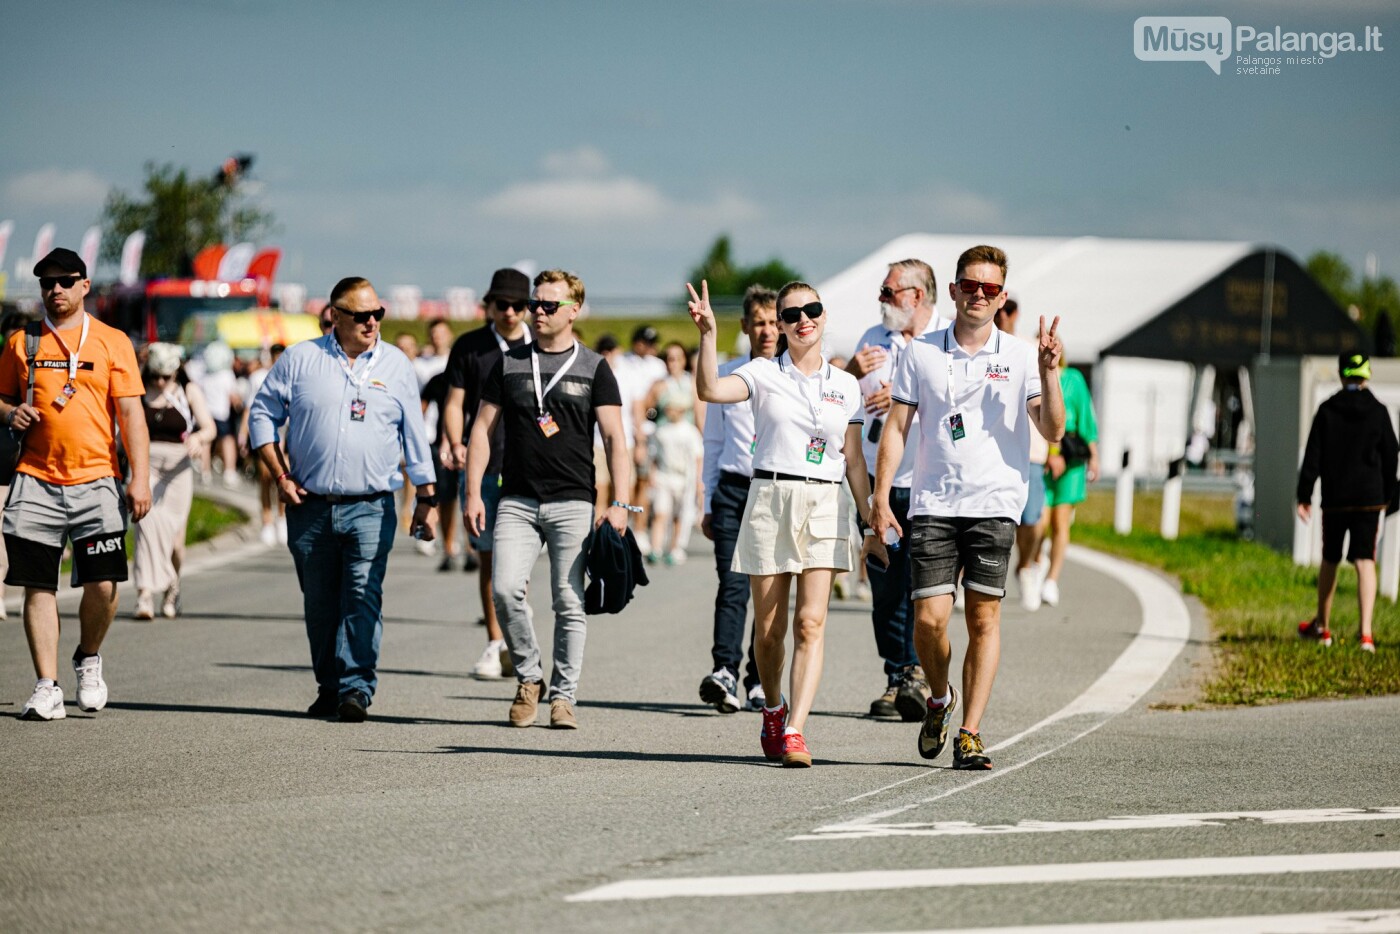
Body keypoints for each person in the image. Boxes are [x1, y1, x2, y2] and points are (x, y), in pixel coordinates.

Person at [872, 244, 1065, 770]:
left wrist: (1049, 373)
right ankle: (939, 697)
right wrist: (880, 496)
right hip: (933, 501)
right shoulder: (921, 352)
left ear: (1001, 297)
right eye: (971, 285)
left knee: (983, 618)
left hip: (994, 501)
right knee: (930, 620)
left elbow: (1051, 430)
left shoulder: (1021, 355)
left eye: (991, 288)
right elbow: (896, 427)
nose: (980, 294)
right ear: (954, 290)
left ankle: (971, 732)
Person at [690, 279, 884, 767]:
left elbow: (855, 461)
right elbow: (710, 390)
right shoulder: (761, 371)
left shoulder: (845, 385)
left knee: (810, 621)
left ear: (823, 315)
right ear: (779, 324)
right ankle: (772, 708)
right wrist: (708, 334)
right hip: (769, 495)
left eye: (812, 310)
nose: (804, 320)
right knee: (771, 630)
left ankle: (795, 729)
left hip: (824, 500)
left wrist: (871, 517)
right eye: (792, 314)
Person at [248, 276, 439, 723]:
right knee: (319, 603)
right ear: (335, 316)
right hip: (309, 505)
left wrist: (427, 496)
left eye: (378, 313)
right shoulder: (301, 359)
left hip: (371, 505)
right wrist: (279, 474)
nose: (372, 322)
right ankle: (328, 686)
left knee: (362, 595)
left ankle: (355, 687)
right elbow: (262, 414)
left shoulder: (395, 365)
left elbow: (414, 435)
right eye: (361, 315)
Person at [464, 269, 631, 730]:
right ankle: (529, 677)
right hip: (515, 498)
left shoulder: (595, 367)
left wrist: (622, 502)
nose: (537, 311)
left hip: (573, 499)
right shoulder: (511, 362)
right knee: (503, 590)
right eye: (536, 303)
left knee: (568, 600)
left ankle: (563, 697)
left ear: (573, 310)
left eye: (548, 305)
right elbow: (481, 429)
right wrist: (475, 492)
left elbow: (617, 438)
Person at [0, 247, 152, 721]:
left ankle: (88, 657)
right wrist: (11, 412)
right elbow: (0, 399)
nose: (56, 290)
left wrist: (140, 478)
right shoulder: (22, 343)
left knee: (104, 585)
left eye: (66, 281)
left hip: (97, 479)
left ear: (85, 285)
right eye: (47, 283)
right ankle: (46, 685)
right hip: (36, 480)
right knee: (36, 584)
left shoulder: (112, 342)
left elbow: (130, 414)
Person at [847, 258, 945, 721]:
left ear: (917, 296)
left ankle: (920, 677)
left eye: (889, 292)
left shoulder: (945, 341)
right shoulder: (872, 340)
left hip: (929, 487)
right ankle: (897, 676)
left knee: (922, 590)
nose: (881, 300)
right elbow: (842, 401)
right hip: (879, 487)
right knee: (886, 588)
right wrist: (848, 371)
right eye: (882, 292)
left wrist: (907, 402)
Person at [443, 268, 533, 680]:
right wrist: (453, 441)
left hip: (529, 467)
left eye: (518, 305)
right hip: (483, 464)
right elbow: (454, 401)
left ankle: (518, 643)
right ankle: (496, 642)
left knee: (518, 566)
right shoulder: (470, 346)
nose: (510, 312)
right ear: (489, 305)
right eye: (503, 305)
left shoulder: (539, 346)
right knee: (488, 559)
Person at [697, 285, 779, 714]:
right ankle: (724, 671)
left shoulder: (789, 375)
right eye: (759, 323)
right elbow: (712, 442)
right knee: (732, 587)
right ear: (745, 325)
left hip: (772, 490)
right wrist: (708, 500)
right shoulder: (725, 374)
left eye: (773, 322)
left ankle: (758, 678)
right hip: (731, 489)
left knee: (765, 589)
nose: (766, 331)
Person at [1296, 352, 1398, 652]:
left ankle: (1323, 629)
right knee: (1365, 561)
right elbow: (1392, 453)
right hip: (1369, 499)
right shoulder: (1378, 411)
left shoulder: (1328, 410)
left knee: (1330, 558)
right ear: (1366, 375)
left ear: (1341, 375)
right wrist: (1389, 493)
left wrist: (1304, 495)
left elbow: (1312, 455)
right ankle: (1366, 634)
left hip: (1336, 499)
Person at [131, 343, 216, 620]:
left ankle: (172, 587)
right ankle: (144, 594)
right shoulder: (140, 390)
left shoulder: (187, 391)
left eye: (165, 377)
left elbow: (209, 427)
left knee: (176, 541)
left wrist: (198, 439)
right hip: (146, 465)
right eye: (155, 375)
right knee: (145, 527)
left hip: (178, 469)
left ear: (176, 372)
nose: (160, 382)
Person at [994, 299, 1051, 611]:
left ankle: (1026, 566)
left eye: (1008, 308)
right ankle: (964, 578)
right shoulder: (981, 343)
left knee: (1031, 520)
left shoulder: (1031, 348)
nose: (1002, 314)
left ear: (1014, 313)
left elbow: (1055, 399)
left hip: (1032, 451)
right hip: (992, 451)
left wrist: (1055, 448)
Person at [1037, 351, 1099, 607]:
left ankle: (1052, 579)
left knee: (1061, 521)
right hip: (1040, 456)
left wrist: (1094, 456)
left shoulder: (1073, 378)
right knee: (1038, 520)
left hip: (1071, 457)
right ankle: (1037, 560)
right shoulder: (1033, 377)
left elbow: (1086, 417)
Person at [239, 343, 288, 547]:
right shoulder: (258, 378)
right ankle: (267, 521)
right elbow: (250, 407)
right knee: (266, 477)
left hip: (287, 433)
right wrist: (242, 433)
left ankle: (282, 518)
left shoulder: (293, 378)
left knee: (285, 477)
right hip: (265, 433)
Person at [647, 399, 703, 565]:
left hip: (684, 479)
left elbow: (698, 458)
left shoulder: (690, 432)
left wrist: (698, 482)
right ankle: (655, 548)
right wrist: (652, 474)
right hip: (664, 477)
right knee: (660, 513)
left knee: (679, 515)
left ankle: (674, 548)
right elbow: (654, 456)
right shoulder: (661, 431)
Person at [0, 311, 29, 620]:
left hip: (33, 466)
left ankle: (31, 595)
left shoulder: (39, 371)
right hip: (2, 467)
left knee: (26, 535)